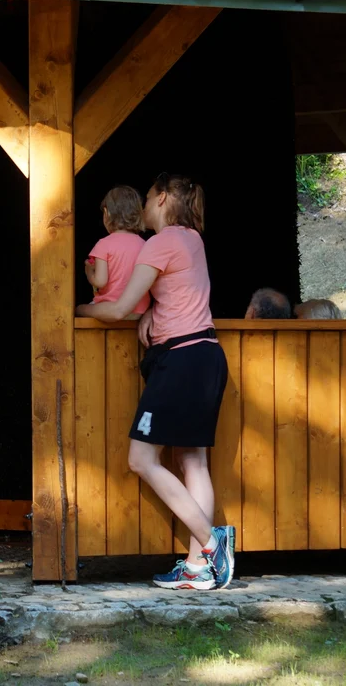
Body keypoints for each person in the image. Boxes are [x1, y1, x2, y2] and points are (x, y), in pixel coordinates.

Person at [76, 174, 234, 591]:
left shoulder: (160, 242)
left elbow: (117, 309)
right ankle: (199, 568)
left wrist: (77, 308)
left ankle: (213, 541)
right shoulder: (192, 239)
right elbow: (172, 295)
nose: (144, 206)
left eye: (148, 197)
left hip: (179, 361)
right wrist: (152, 313)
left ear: (161, 198)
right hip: (206, 355)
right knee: (193, 462)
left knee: (141, 460)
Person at [85, 186, 150, 318]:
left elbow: (100, 281)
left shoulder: (103, 244)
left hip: (110, 308)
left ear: (107, 213)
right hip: (138, 311)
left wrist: (89, 272)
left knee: (79, 310)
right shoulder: (145, 245)